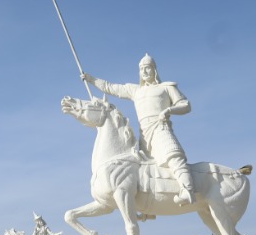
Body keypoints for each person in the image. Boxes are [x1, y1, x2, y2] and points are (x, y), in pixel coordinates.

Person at [82, 54, 195, 205]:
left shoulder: (166, 87)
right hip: (144, 133)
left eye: (147, 68)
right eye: (141, 69)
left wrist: (168, 110)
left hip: (160, 127)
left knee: (172, 156)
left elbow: (185, 105)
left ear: (154, 70)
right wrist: (91, 79)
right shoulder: (135, 90)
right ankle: (149, 209)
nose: (144, 71)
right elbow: (111, 87)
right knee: (143, 169)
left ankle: (187, 189)